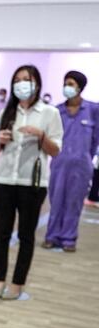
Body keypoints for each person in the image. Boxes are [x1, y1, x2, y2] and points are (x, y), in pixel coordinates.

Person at [0, 65, 63, 299]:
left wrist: (41, 136)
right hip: (3, 179)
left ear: (37, 84)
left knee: (26, 235)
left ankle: (17, 282)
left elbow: (55, 151)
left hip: (32, 183)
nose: (22, 84)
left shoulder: (49, 113)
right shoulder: (6, 112)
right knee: (2, 233)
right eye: (17, 80)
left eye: (27, 80)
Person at [44, 71, 99, 251]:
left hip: (81, 166)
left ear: (80, 87)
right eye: (65, 83)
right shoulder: (57, 111)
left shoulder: (92, 110)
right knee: (56, 200)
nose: (67, 87)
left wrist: (86, 158)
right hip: (59, 164)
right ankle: (51, 236)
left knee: (74, 203)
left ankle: (68, 238)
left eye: (71, 83)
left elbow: (95, 139)